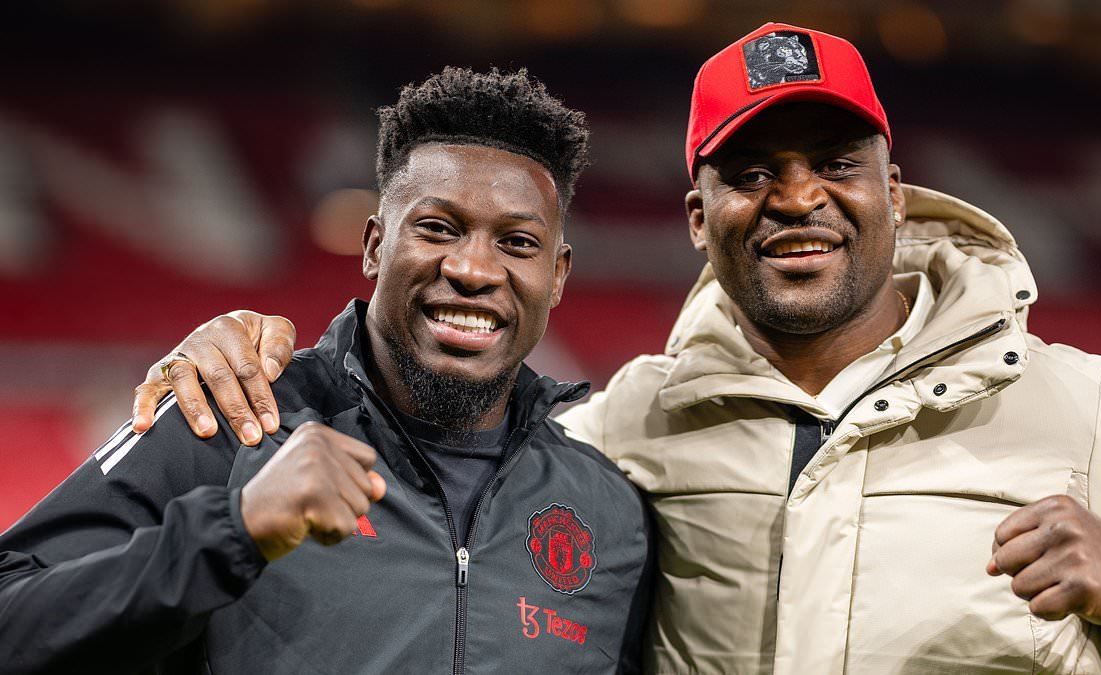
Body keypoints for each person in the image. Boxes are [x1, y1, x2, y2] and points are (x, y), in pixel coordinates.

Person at [128, 24, 1101, 674]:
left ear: (893, 189)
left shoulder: (1076, 400)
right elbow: (438, 415)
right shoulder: (620, 427)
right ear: (698, 215)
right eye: (750, 173)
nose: (795, 198)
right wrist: (232, 348)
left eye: (833, 160)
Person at [0, 67, 652, 674]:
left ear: (558, 274)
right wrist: (232, 531)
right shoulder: (234, 415)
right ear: (374, 245)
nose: (474, 270)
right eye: (437, 227)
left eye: (517, 243)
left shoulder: (611, 511)